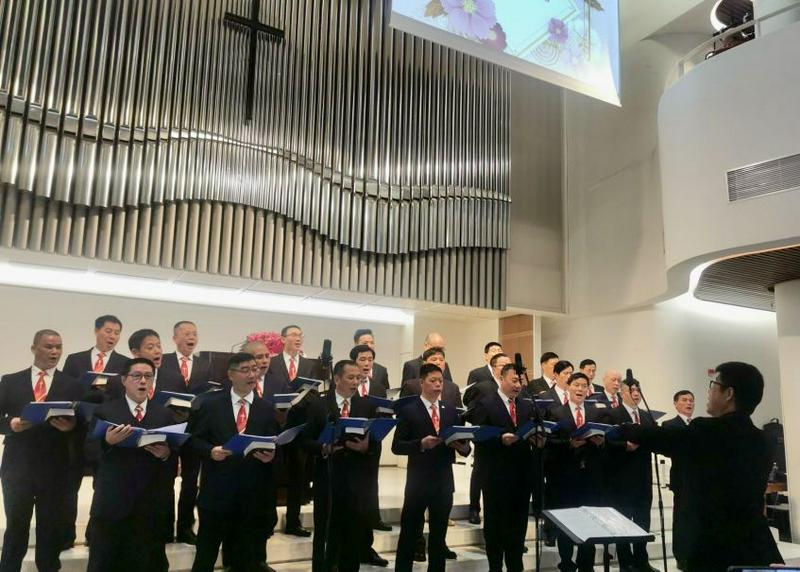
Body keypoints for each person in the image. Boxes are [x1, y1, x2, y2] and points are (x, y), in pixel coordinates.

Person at [618, 362, 784, 572]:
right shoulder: (762, 440)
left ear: (729, 393)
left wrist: (623, 430)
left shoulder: (705, 431)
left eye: (713, 384)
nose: (708, 390)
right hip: (753, 541)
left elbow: (663, 438)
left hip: (710, 546)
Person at [0, 329, 83, 572]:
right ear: (34, 348)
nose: (55, 352)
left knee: (50, 528)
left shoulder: (72, 385)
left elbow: (82, 425)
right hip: (18, 466)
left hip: (55, 466)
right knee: (16, 526)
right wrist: (11, 425)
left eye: (58, 347)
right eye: (48, 346)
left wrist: (71, 427)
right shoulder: (10, 381)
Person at [86, 358, 178, 572]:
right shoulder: (105, 411)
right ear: (124, 380)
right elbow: (89, 451)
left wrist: (166, 454)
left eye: (148, 376)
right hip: (114, 502)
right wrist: (107, 441)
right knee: (106, 562)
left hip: (150, 503)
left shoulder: (164, 414)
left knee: (148, 562)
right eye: (137, 376)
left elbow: (174, 455)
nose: (143, 381)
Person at [190, 353, 279, 572]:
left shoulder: (265, 408)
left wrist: (271, 456)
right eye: (245, 370)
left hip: (250, 494)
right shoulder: (211, 404)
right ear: (231, 374)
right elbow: (192, 440)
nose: (252, 374)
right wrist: (211, 451)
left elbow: (273, 443)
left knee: (244, 557)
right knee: (206, 553)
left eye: (255, 369)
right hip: (217, 491)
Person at [291, 360, 379, 572]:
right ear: (336, 379)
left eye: (359, 378)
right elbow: (304, 441)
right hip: (328, 478)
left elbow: (375, 442)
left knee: (353, 532)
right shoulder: (319, 405)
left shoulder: (366, 405)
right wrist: (323, 449)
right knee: (325, 531)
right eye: (350, 378)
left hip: (356, 480)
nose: (355, 382)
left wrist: (366, 447)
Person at [393, 363, 471, 572]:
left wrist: (461, 446)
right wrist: (420, 444)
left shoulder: (450, 411)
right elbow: (396, 446)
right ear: (421, 383)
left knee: (439, 535)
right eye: (432, 381)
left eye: (440, 381)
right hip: (418, 481)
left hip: (443, 481)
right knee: (409, 532)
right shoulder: (409, 411)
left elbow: (466, 448)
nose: (438, 385)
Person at [468, 364, 538, 572]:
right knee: (495, 525)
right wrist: (499, 438)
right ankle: (495, 567)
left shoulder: (526, 405)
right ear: (501, 378)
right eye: (514, 381)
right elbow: (478, 436)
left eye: (520, 381)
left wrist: (538, 439)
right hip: (495, 475)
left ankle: (515, 566)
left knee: (518, 525)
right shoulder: (486, 403)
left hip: (521, 475)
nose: (518, 385)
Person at [263, 324, 322, 537]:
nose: (298, 338)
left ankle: (293, 521)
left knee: (299, 476)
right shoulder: (272, 362)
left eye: (301, 335)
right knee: (273, 474)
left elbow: (314, 393)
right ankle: (268, 521)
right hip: (276, 425)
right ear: (283, 338)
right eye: (294, 335)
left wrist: (301, 401)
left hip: (300, 426)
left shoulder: (309, 365)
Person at [546, 372, 607, 572]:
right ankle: (566, 561)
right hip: (564, 476)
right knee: (567, 521)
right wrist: (569, 444)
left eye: (584, 386)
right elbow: (548, 442)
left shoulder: (596, 414)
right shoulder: (556, 412)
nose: (580, 389)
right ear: (568, 387)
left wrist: (601, 442)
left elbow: (605, 439)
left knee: (589, 521)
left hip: (590, 476)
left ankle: (586, 563)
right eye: (576, 385)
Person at [606, 380, 657, 572]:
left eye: (638, 389)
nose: (636, 393)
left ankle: (641, 560)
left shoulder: (646, 416)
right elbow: (606, 442)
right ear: (622, 392)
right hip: (621, 476)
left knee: (643, 520)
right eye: (631, 390)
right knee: (623, 521)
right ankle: (625, 562)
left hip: (643, 476)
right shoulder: (613, 414)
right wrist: (624, 446)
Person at [349, 344, 390, 565]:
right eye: (362, 359)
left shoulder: (378, 387)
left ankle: (366, 548)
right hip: (347, 450)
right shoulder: (346, 385)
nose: (366, 363)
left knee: (368, 497)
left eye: (370, 359)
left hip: (371, 448)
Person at [463, 352, 512, 525]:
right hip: (487, 441)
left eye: (509, 363)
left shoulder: (516, 387)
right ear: (493, 368)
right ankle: (474, 508)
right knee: (479, 474)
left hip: (509, 444)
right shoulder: (482, 386)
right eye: (502, 364)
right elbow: (472, 412)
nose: (506, 366)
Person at [661, 390, 694, 570]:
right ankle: (681, 556)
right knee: (681, 519)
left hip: (699, 479)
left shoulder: (698, 425)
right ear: (676, 404)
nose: (689, 403)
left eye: (691, 400)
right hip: (682, 478)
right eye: (684, 400)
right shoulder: (670, 424)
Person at [62, 315, 129, 378]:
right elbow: (64, 386)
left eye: (117, 333)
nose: (112, 336)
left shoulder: (126, 363)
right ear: (96, 331)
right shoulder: (74, 359)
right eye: (108, 331)